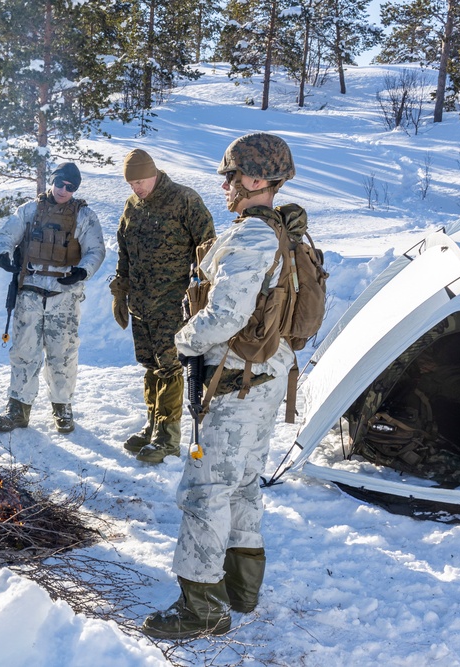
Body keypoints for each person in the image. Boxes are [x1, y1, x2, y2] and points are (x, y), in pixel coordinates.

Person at [141, 133, 297, 639]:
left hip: (236, 383)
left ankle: (202, 608)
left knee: (206, 492)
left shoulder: (252, 236)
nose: (224, 186)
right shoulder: (284, 232)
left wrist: (183, 341)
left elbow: (225, 313)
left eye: (231, 176)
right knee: (242, 484)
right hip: (263, 377)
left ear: (256, 180)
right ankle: (241, 590)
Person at [112, 149, 215, 464]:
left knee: (169, 366)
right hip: (141, 305)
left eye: (140, 181)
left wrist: (201, 294)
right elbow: (125, 254)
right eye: (131, 184)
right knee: (149, 364)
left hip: (174, 304)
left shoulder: (184, 200)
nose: (137, 188)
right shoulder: (132, 207)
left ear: (153, 173)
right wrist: (120, 292)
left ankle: (168, 438)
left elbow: (208, 247)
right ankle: (153, 425)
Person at [0, 162, 105, 434]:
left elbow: (96, 250)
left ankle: (62, 407)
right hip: (30, 293)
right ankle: (18, 407)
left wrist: (81, 272)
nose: (64, 190)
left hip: (63, 296)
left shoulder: (85, 216)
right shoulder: (30, 210)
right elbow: (7, 234)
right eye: (61, 183)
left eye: (71, 187)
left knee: (62, 355)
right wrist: (4, 255)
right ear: (53, 182)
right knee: (24, 352)